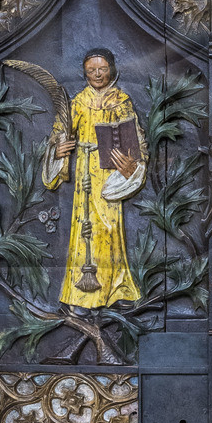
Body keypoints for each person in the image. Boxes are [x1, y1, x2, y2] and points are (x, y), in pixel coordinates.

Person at [42, 48, 143, 309]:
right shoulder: (77, 102)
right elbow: (59, 133)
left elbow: (135, 139)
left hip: (110, 173)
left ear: (111, 69)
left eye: (102, 68)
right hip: (86, 172)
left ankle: (116, 289)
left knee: (110, 229)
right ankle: (80, 296)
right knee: (84, 229)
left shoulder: (121, 101)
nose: (97, 74)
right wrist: (58, 149)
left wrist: (133, 161)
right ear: (84, 72)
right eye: (91, 70)